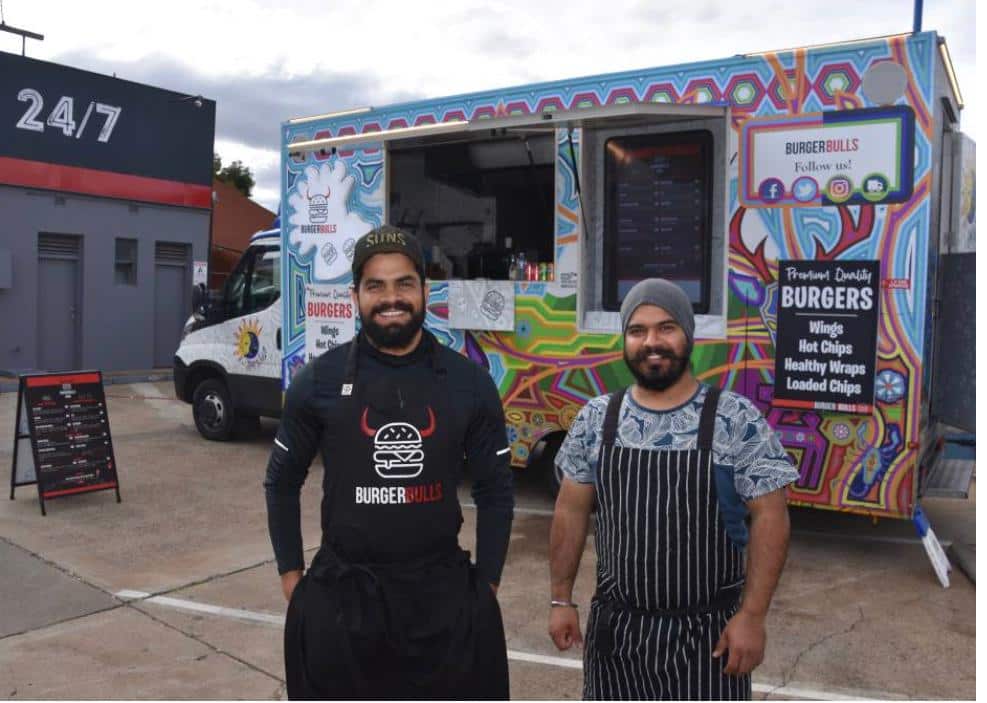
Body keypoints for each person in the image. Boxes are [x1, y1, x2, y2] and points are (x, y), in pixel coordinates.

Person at [264, 225, 514, 700]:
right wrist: (293, 577)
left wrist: (488, 584)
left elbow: (496, 490)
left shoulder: (470, 384)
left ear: (424, 289)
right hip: (343, 602)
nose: (390, 298)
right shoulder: (317, 381)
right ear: (355, 294)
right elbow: (281, 481)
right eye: (375, 285)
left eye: (404, 283)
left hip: (441, 602)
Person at [548, 278, 799, 700]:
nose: (652, 342)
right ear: (625, 340)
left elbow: (771, 516)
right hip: (617, 637)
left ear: (688, 334)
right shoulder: (596, 420)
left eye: (666, 328)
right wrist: (560, 600)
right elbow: (570, 512)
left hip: (708, 639)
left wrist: (752, 616)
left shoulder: (734, 419)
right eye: (637, 330)